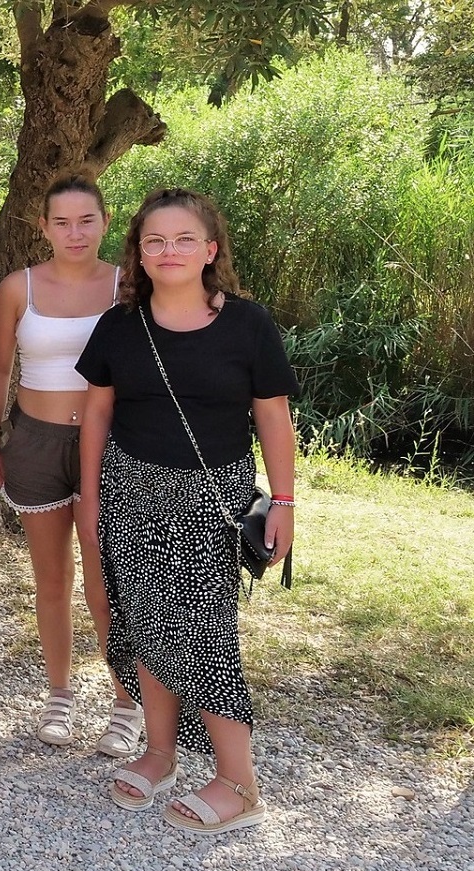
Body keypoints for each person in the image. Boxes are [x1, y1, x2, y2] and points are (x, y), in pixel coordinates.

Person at [77, 187, 296, 834]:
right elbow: (96, 415)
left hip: (212, 499)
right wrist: (90, 499)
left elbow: (273, 418)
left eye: (183, 239)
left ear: (210, 250)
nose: (168, 250)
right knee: (145, 621)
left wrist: (284, 502)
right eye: (155, 240)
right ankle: (160, 753)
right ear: (139, 254)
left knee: (206, 635)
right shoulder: (118, 326)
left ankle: (239, 783)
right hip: (130, 491)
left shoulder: (248, 325)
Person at [0, 176, 142, 755]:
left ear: (106, 222)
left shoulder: (131, 286)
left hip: (113, 445)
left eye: (86, 221)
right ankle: (59, 694)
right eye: (62, 222)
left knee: (109, 579)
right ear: (43, 227)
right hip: (36, 440)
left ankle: (126, 702)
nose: (74, 233)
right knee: (52, 578)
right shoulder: (18, 288)